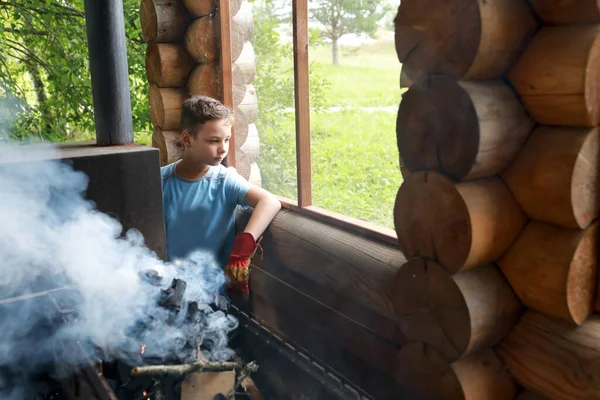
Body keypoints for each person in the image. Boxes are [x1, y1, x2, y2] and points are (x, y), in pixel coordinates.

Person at [160, 95, 281, 296]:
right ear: (187, 139)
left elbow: (269, 202)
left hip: (214, 296)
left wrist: (242, 252)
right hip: (165, 290)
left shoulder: (225, 181)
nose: (223, 148)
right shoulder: (159, 181)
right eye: (214, 141)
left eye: (226, 139)